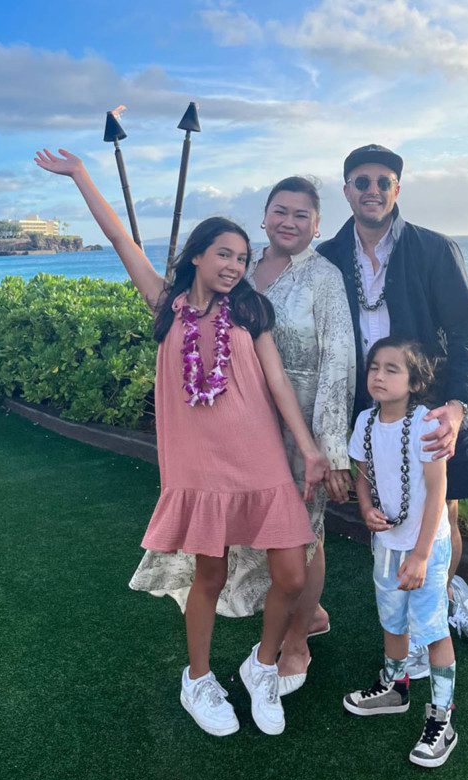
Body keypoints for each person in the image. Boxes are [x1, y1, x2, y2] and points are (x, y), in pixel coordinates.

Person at [34, 148, 329, 737]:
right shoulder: (166, 308)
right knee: (209, 578)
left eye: (243, 257)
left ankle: (261, 665)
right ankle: (197, 680)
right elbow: (122, 242)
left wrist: (311, 449)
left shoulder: (250, 310)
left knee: (292, 576)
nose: (235, 265)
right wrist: (81, 176)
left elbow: (275, 382)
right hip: (200, 469)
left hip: (262, 461)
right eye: (224, 253)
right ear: (196, 255)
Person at [130, 177, 356, 695]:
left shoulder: (323, 278)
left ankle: (293, 642)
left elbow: (337, 363)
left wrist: (326, 447)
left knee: (306, 537)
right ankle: (284, 629)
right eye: (281, 211)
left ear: (317, 224)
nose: (291, 221)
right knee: (245, 551)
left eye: (303, 215)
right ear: (265, 216)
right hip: (241, 434)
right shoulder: (245, 278)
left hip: (302, 425)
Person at [316, 144, 468, 677]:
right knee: (384, 511)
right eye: (361, 181)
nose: (372, 190)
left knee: (443, 515)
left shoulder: (434, 249)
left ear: (398, 188)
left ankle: (437, 608)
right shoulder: (327, 257)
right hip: (366, 410)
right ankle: (407, 621)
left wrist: (458, 406)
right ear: (346, 188)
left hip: (436, 404)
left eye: (383, 181)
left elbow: (467, 331)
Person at [343, 336, 458, 768]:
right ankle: (394, 688)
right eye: (375, 367)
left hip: (424, 546)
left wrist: (423, 554)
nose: (379, 375)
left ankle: (443, 718)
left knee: (431, 630)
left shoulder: (427, 424)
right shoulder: (365, 423)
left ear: (414, 380)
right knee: (392, 620)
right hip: (387, 545)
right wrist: (368, 507)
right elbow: (362, 474)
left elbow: (436, 492)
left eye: (393, 369)